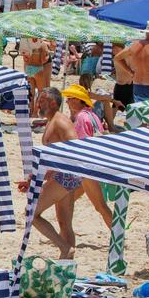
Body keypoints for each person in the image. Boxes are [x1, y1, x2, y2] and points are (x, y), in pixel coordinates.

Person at [17, 88, 78, 258]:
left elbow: (76, 147)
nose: (37, 104)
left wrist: (52, 170)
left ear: (53, 103)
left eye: (42, 101)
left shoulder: (60, 122)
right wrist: (33, 178)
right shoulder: (53, 121)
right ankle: (67, 264)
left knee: (32, 213)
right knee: (65, 223)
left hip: (65, 175)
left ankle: (64, 248)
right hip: (66, 176)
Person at [62, 84, 112, 229]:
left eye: (69, 99)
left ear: (77, 100)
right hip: (94, 164)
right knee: (67, 200)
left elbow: (82, 145)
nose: (67, 102)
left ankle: (118, 237)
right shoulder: (92, 115)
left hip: (87, 168)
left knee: (101, 207)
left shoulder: (81, 118)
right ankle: (64, 234)